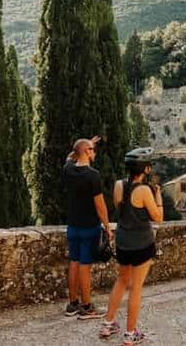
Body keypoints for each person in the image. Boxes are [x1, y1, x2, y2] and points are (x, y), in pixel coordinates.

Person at [99, 147, 163, 345]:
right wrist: (158, 196)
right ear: (145, 169)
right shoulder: (144, 190)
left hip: (123, 241)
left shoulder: (119, 185)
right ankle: (130, 333)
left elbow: (121, 208)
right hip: (141, 242)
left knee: (121, 280)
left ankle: (108, 324)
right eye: (149, 165)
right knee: (136, 288)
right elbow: (158, 218)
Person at [63, 136, 111, 320]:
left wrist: (82, 144)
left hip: (73, 226)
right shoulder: (93, 175)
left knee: (74, 263)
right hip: (89, 227)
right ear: (86, 152)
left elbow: (70, 156)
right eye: (91, 148)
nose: (94, 152)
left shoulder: (68, 169)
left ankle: (72, 304)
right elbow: (100, 205)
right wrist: (107, 226)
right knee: (85, 266)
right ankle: (87, 307)